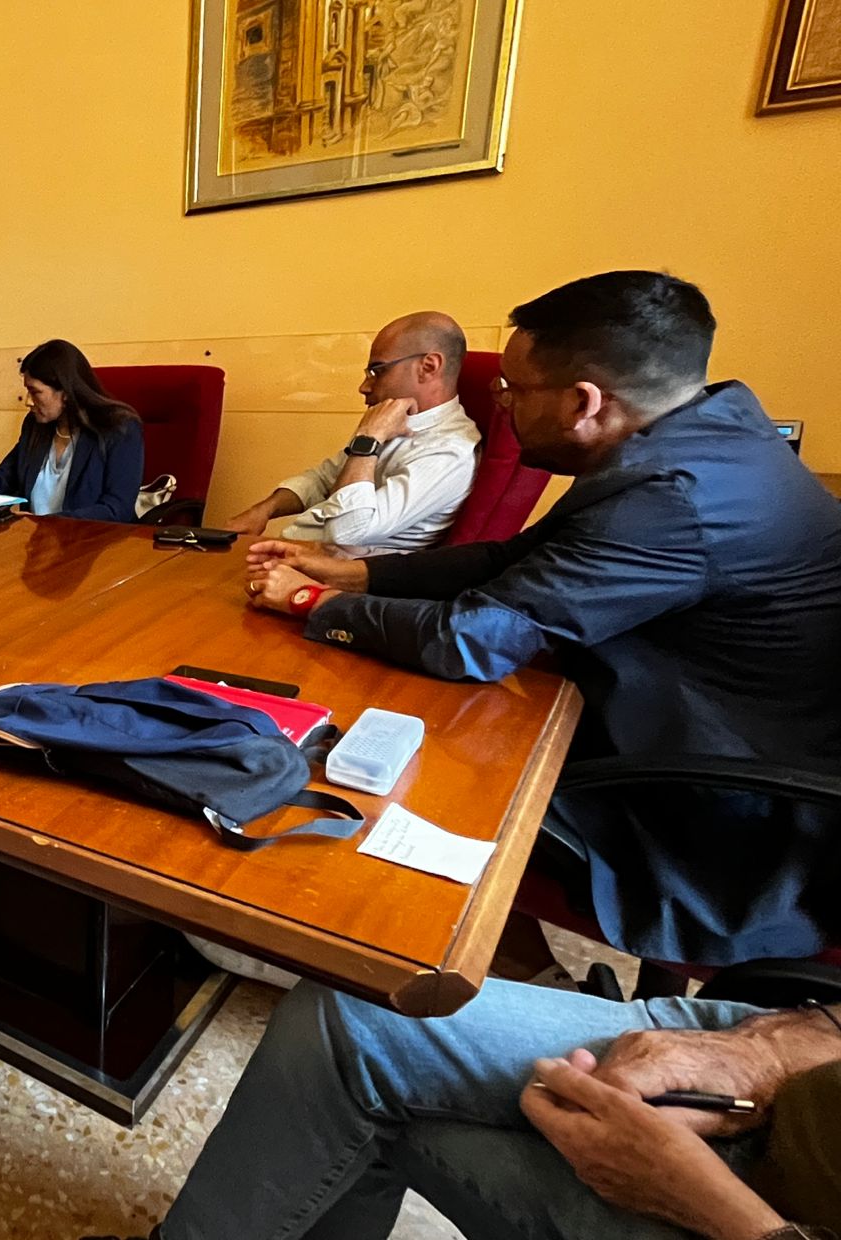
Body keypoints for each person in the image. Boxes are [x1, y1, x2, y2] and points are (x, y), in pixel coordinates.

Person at [244, 271, 841, 970]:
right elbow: (511, 557)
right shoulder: (708, 436)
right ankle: (519, 964)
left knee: (393, 765)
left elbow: (472, 640)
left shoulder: (667, 500)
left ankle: (462, 979)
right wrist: (352, 575)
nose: (501, 404)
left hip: (723, 815)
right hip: (713, 731)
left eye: (513, 389)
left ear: (584, 402)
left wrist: (309, 603)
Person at [127, 978, 841, 1239]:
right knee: (348, 1021)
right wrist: (767, 1053)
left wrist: (714, 1208)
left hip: (759, 1220)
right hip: (801, 1071)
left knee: (363, 1098)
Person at [223, 312, 480, 555]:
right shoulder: (391, 423)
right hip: (298, 555)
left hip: (334, 576)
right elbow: (323, 479)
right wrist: (263, 511)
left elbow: (346, 533)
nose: (364, 387)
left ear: (428, 366)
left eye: (377, 371)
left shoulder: (450, 451)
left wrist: (368, 439)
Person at [0, 339, 143, 522]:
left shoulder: (120, 429)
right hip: (36, 546)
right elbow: (2, 486)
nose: (28, 402)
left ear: (65, 392)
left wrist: (46, 523)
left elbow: (117, 509)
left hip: (94, 549)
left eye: (35, 392)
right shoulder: (35, 426)